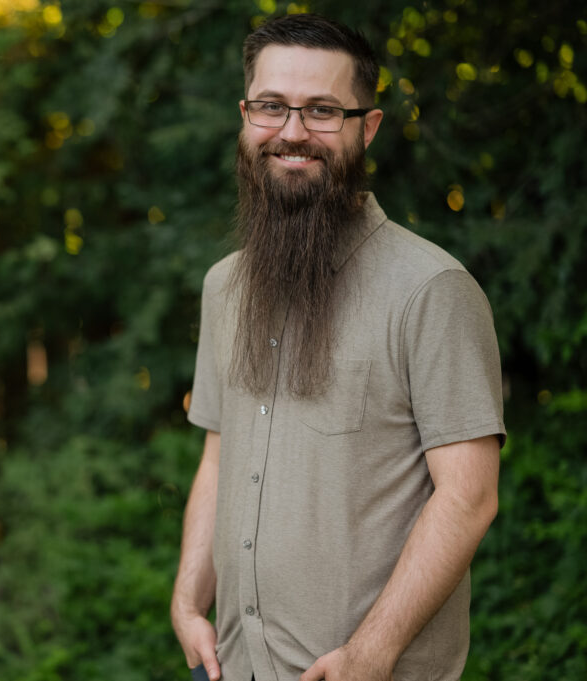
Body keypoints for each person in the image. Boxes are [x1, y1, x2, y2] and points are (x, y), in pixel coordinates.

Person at [170, 13, 505, 681]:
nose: (292, 131)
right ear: (245, 115)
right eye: (272, 107)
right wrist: (187, 599)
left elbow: (468, 496)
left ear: (367, 126)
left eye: (322, 110)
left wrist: (372, 651)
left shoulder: (431, 289)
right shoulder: (224, 287)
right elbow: (219, 452)